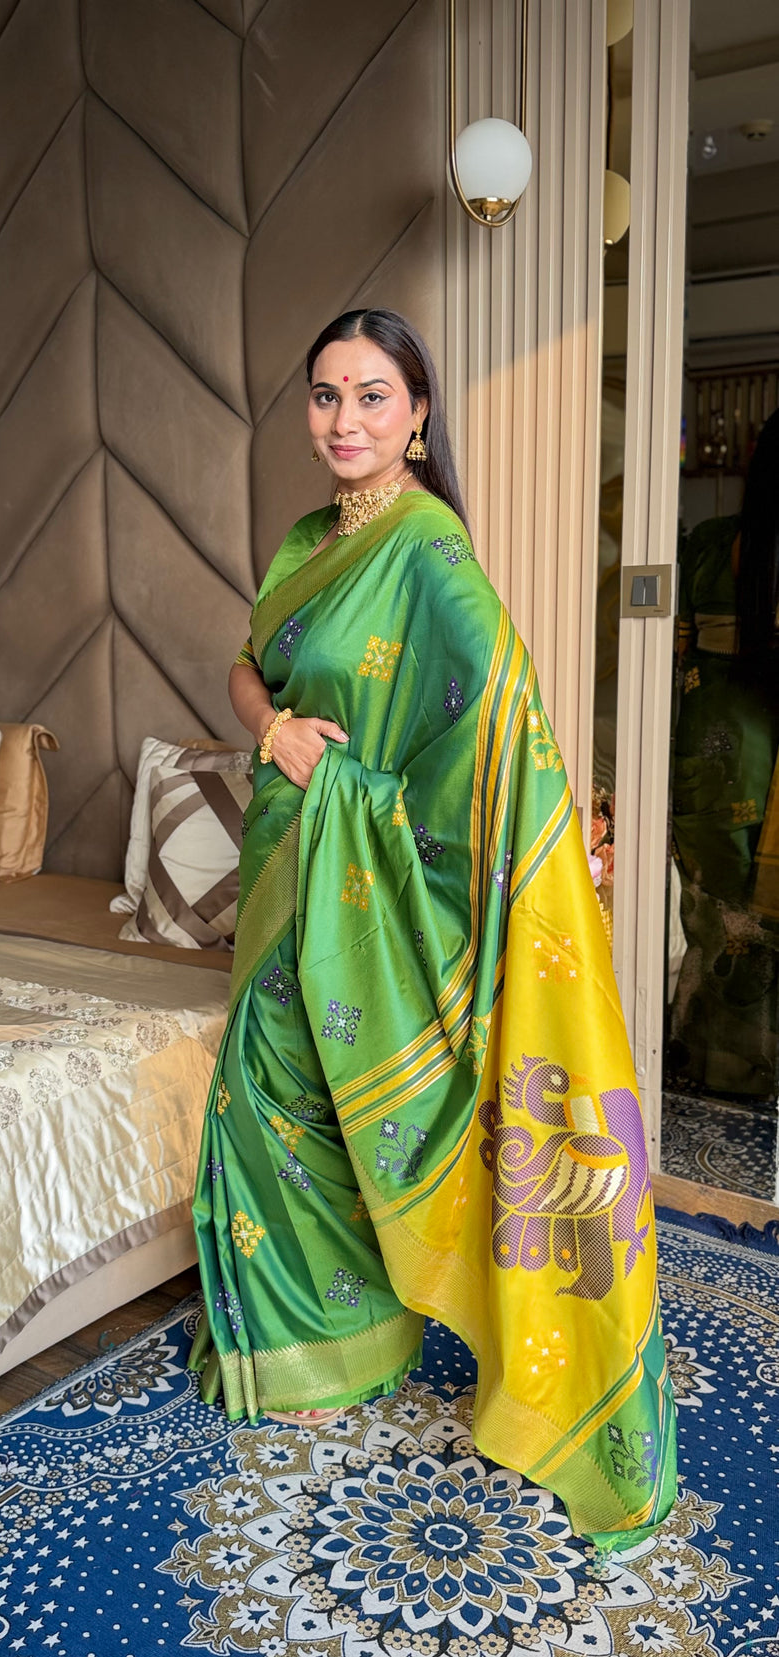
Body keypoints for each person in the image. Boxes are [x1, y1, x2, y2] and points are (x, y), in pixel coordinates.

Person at [188, 308, 676, 1549]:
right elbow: (244, 667)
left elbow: (499, 705)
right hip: (286, 852)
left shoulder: (426, 547)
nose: (342, 420)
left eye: (370, 396)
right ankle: (307, 1338)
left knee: (330, 1094)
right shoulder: (308, 540)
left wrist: (549, 835)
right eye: (324, 395)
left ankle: (356, 1337)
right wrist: (272, 730)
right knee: (266, 1094)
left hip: (359, 871)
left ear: (416, 413)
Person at [670, 408, 779, 1099]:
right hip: (762, 760)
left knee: (717, 920)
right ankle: (758, 1071)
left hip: (707, 758)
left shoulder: (711, 546)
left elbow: (676, 651)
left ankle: (709, 1063)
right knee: (760, 924)